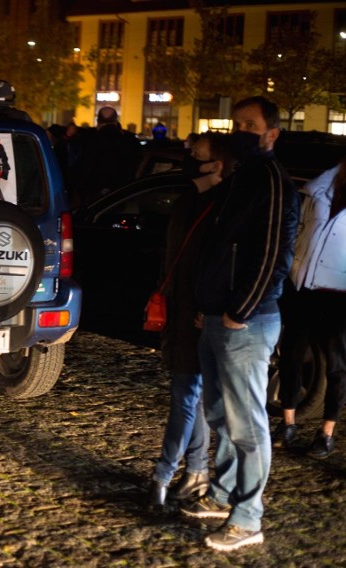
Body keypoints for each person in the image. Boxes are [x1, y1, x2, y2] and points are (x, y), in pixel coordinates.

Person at [181, 96, 300, 552]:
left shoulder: (270, 180)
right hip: (219, 315)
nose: (241, 131)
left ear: (272, 133)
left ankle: (248, 518)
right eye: (237, 124)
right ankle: (225, 493)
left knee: (247, 427)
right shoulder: (243, 177)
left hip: (245, 323)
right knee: (218, 413)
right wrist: (208, 303)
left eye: (250, 125)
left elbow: (272, 254)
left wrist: (238, 310)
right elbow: (221, 246)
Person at [148, 133, 233, 510]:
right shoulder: (188, 203)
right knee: (189, 395)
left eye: (195, 153)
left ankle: (165, 474)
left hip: (200, 314)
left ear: (216, 164)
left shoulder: (222, 208)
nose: (187, 157)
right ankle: (195, 470)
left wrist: (209, 306)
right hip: (180, 311)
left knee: (188, 396)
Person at [272, 154, 346, 459]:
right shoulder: (316, 191)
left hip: (340, 294)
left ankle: (326, 432)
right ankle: (288, 423)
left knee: (338, 366)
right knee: (290, 356)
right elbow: (297, 233)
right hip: (302, 288)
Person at [74, 106, 141, 206]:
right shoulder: (130, 140)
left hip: (93, 193)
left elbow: (82, 167)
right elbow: (136, 164)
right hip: (123, 192)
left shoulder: (88, 139)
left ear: (98, 121)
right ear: (115, 121)